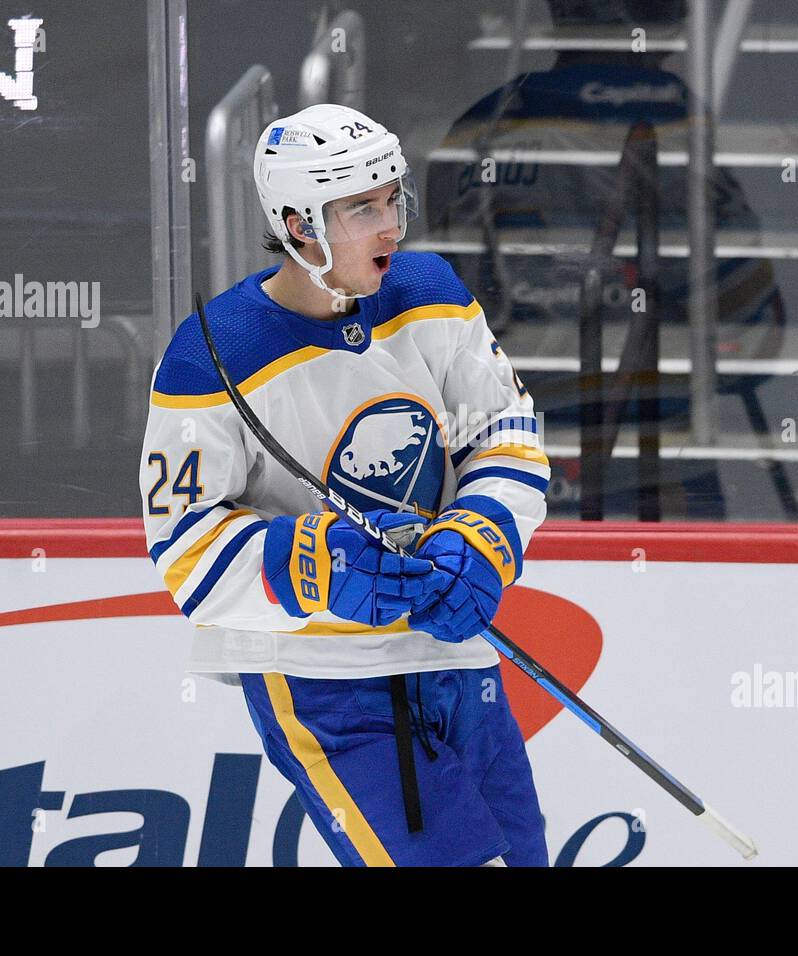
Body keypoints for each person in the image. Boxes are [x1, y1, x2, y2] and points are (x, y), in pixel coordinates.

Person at [138, 103, 550, 866]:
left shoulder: (429, 291)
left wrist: (484, 532)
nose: (391, 224)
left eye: (393, 198)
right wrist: (310, 565)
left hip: (455, 654)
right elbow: (183, 545)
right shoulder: (215, 352)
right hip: (326, 679)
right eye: (362, 207)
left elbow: (505, 434)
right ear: (299, 225)